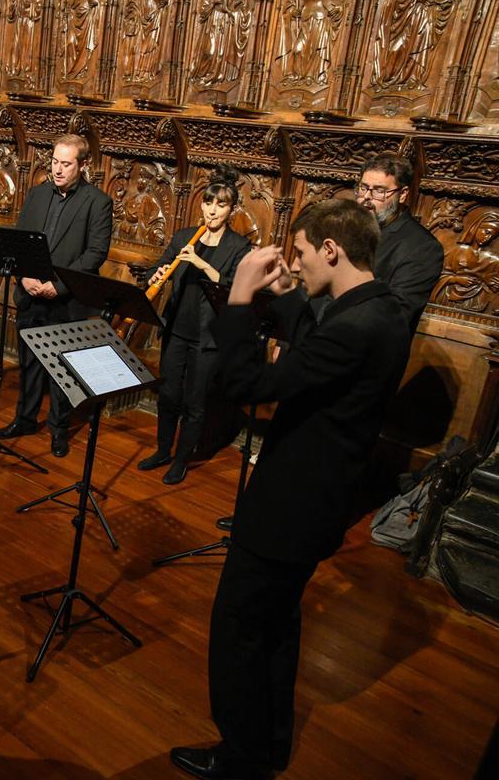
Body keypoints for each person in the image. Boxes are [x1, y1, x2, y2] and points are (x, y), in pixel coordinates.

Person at [169, 199, 411, 780]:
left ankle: (240, 757)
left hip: (290, 506)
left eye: (300, 254)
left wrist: (239, 298)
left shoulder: (356, 327)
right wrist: (288, 297)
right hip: (319, 499)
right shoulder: (378, 309)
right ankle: (268, 744)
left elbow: (247, 383)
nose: (295, 264)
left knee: (240, 630)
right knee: (276, 626)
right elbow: (318, 351)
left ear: (332, 249)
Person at [0, 133, 113, 458]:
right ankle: (24, 419)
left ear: (83, 165)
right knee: (29, 363)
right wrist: (23, 275)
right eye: (54, 162)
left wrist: (57, 284)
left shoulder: (97, 202)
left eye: (66, 164)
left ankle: (58, 430)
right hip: (31, 293)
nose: (58, 170)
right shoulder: (36, 195)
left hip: (67, 299)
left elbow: (95, 254)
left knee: (62, 368)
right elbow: (20, 239)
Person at [137, 166, 252, 484]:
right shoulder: (184, 236)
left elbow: (233, 290)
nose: (212, 210)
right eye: (209, 202)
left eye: (221, 205)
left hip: (207, 338)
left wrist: (202, 263)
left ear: (231, 210)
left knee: (195, 402)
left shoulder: (237, 247)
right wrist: (157, 276)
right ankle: (162, 450)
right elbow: (160, 267)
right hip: (177, 329)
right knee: (169, 395)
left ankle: (181, 460)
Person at [353, 151, 444, 335]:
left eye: (379, 190)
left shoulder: (422, 247)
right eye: (363, 188)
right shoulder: (345, 225)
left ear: (402, 194)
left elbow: (396, 315)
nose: (366, 198)